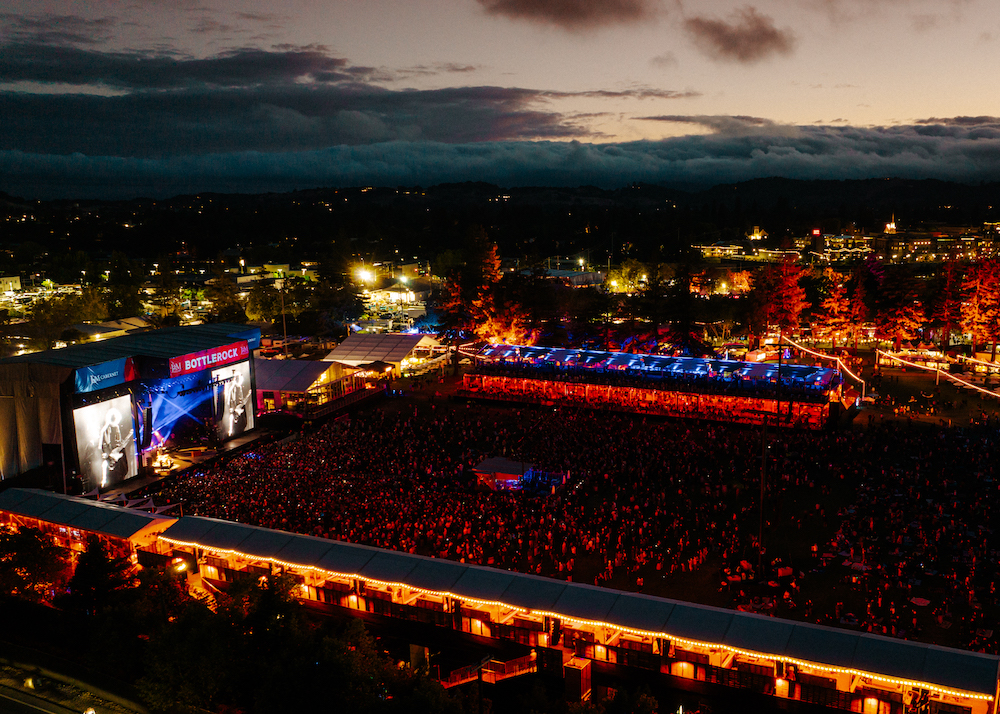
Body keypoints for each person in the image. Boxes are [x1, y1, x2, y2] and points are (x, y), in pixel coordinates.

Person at [100, 407, 131, 487]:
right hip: (117, 474)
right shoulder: (115, 455)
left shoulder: (112, 454)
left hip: (115, 452)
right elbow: (121, 444)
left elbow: (119, 444)